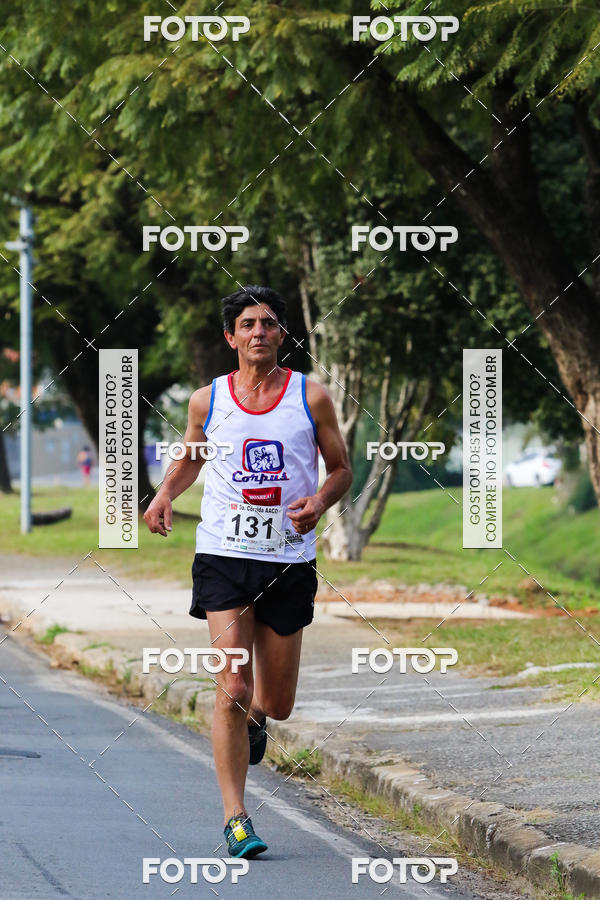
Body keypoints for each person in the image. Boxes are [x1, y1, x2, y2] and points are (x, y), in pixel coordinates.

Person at [143, 286, 352, 859]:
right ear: (230, 337)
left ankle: (259, 718)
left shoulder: (311, 397)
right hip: (224, 557)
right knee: (232, 686)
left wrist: (319, 502)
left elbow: (340, 469)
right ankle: (235, 818)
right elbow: (191, 458)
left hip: (288, 558)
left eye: (268, 323)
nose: (259, 331)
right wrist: (163, 494)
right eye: (247, 324)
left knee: (276, 702)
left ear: (282, 334)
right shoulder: (206, 400)